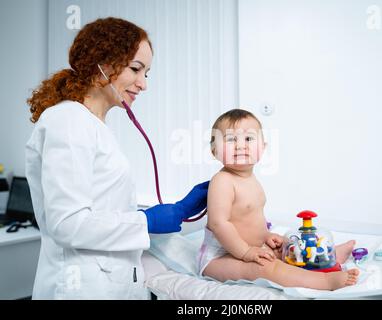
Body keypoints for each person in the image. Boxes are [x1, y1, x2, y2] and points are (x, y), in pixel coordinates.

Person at [25, 17, 208, 299]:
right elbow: (67, 224)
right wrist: (145, 221)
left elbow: (105, 209)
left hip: (111, 282)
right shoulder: (68, 121)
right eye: (136, 69)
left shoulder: (93, 126)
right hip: (79, 287)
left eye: (147, 73)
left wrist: (180, 210)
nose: (143, 84)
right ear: (102, 64)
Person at [197, 108, 359, 290]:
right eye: (231, 140)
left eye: (248, 139)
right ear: (214, 151)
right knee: (266, 267)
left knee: (290, 248)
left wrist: (266, 236)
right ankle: (324, 282)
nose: (240, 146)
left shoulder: (251, 179)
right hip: (220, 257)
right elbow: (219, 224)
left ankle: (329, 257)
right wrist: (246, 252)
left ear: (263, 147)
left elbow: (250, 219)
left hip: (253, 247)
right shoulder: (222, 181)